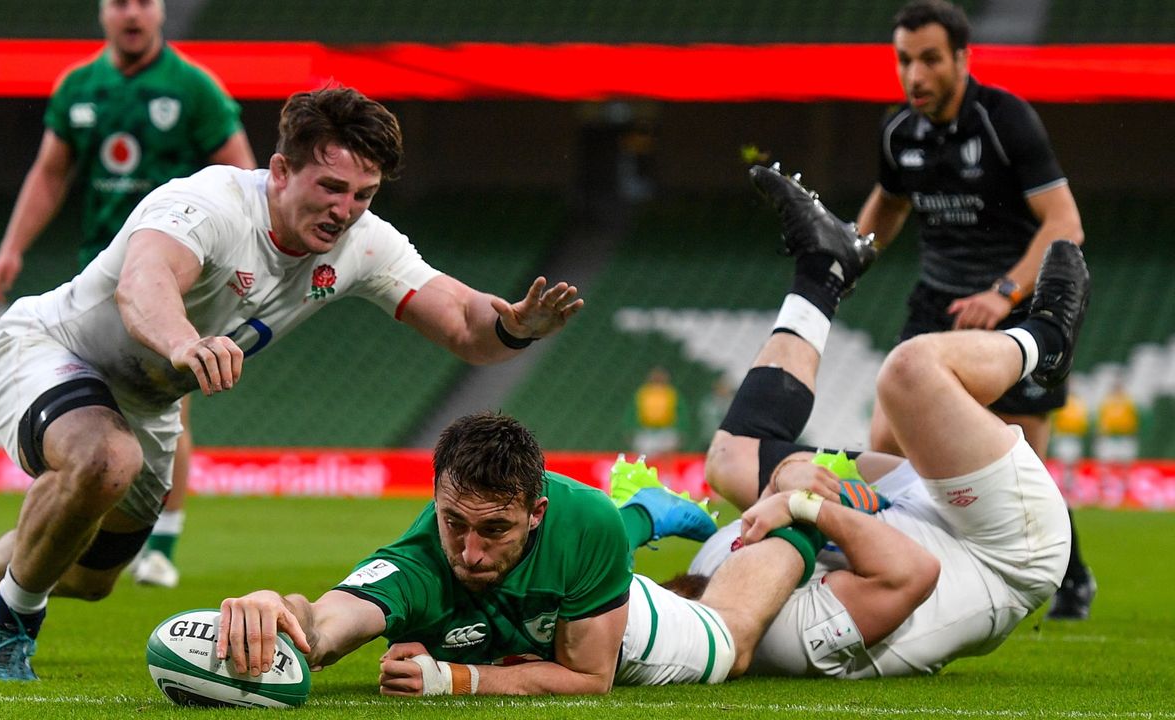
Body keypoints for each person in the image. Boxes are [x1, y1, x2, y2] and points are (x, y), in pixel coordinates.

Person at [0, 86, 584, 682]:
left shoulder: (362, 244)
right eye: (331, 187)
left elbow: (466, 324)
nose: (347, 210)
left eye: (363, 195)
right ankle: (10, 631)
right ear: (281, 170)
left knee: (86, 574)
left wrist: (517, 325)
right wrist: (184, 342)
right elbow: (146, 284)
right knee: (105, 460)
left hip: (147, 400)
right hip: (55, 350)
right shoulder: (209, 203)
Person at [651, 165, 1084, 679]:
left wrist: (789, 485)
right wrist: (799, 501)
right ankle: (1047, 339)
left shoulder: (710, 569)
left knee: (731, 458)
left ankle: (824, 270)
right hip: (1005, 549)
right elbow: (909, 573)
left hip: (919, 512)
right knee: (908, 374)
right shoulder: (781, 637)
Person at [0, 0, 258, 589]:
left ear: (159, 13)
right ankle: (49, 539)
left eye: (143, 2)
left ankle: (162, 543)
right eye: (119, 3)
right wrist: (12, 247)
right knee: (82, 424)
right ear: (102, 13)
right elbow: (51, 172)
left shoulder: (193, 88)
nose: (131, 13)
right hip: (98, 283)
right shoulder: (80, 86)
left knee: (170, 406)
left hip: (175, 281)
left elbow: (242, 176)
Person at [854, 0, 1092, 620]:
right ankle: (910, 572)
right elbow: (889, 207)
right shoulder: (897, 132)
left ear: (962, 58)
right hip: (936, 301)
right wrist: (842, 260)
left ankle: (1074, 574)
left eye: (930, 60)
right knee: (886, 447)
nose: (915, 76)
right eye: (905, 61)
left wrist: (1002, 294)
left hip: (1018, 304)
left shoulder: (1005, 120)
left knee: (1022, 462)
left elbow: (1066, 223)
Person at [218, 411, 635, 696]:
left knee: (704, 610)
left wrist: (454, 679)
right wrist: (277, 606)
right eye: (454, 523)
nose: (470, 554)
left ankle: (644, 512)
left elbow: (591, 676)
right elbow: (322, 624)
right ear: (436, 498)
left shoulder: (588, 523)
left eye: (494, 529)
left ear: (535, 514)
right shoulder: (415, 567)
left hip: (635, 622)